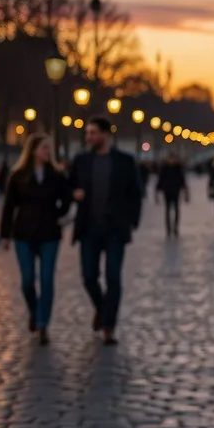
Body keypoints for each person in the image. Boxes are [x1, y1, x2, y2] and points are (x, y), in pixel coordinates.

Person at [69, 116, 143, 346]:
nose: (88, 137)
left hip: (114, 229)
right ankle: (102, 309)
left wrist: (132, 221)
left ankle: (109, 327)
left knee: (113, 277)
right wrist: (74, 194)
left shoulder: (124, 161)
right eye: (87, 133)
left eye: (92, 133)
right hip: (89, 228)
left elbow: (135, 192)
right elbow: (69, 185)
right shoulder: (81, 161)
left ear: (104, 134)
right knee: (89, 276)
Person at [0, 133, 72, 346]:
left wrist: (60, 214)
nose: (47, 153)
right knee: (28, 280)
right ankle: (34, 310)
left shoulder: (57, 175)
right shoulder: (18, 175)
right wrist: (5, 234)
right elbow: (9, 207)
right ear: (33, 151)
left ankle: (42, 324)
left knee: (47, 280)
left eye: (49, 149)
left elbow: (66, 199)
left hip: (49, 233)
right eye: (44, 149)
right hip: (24, 234)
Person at [155, 154, 189, 237]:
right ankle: (169, 228)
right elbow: (160, 179)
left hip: (175, 190)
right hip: (167, 190)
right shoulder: (165, 169)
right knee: (168, 209)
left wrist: (185, 191)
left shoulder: (177, 169)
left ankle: (175, 227)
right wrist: (157, 191)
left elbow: (182, 180)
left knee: (176, 209)